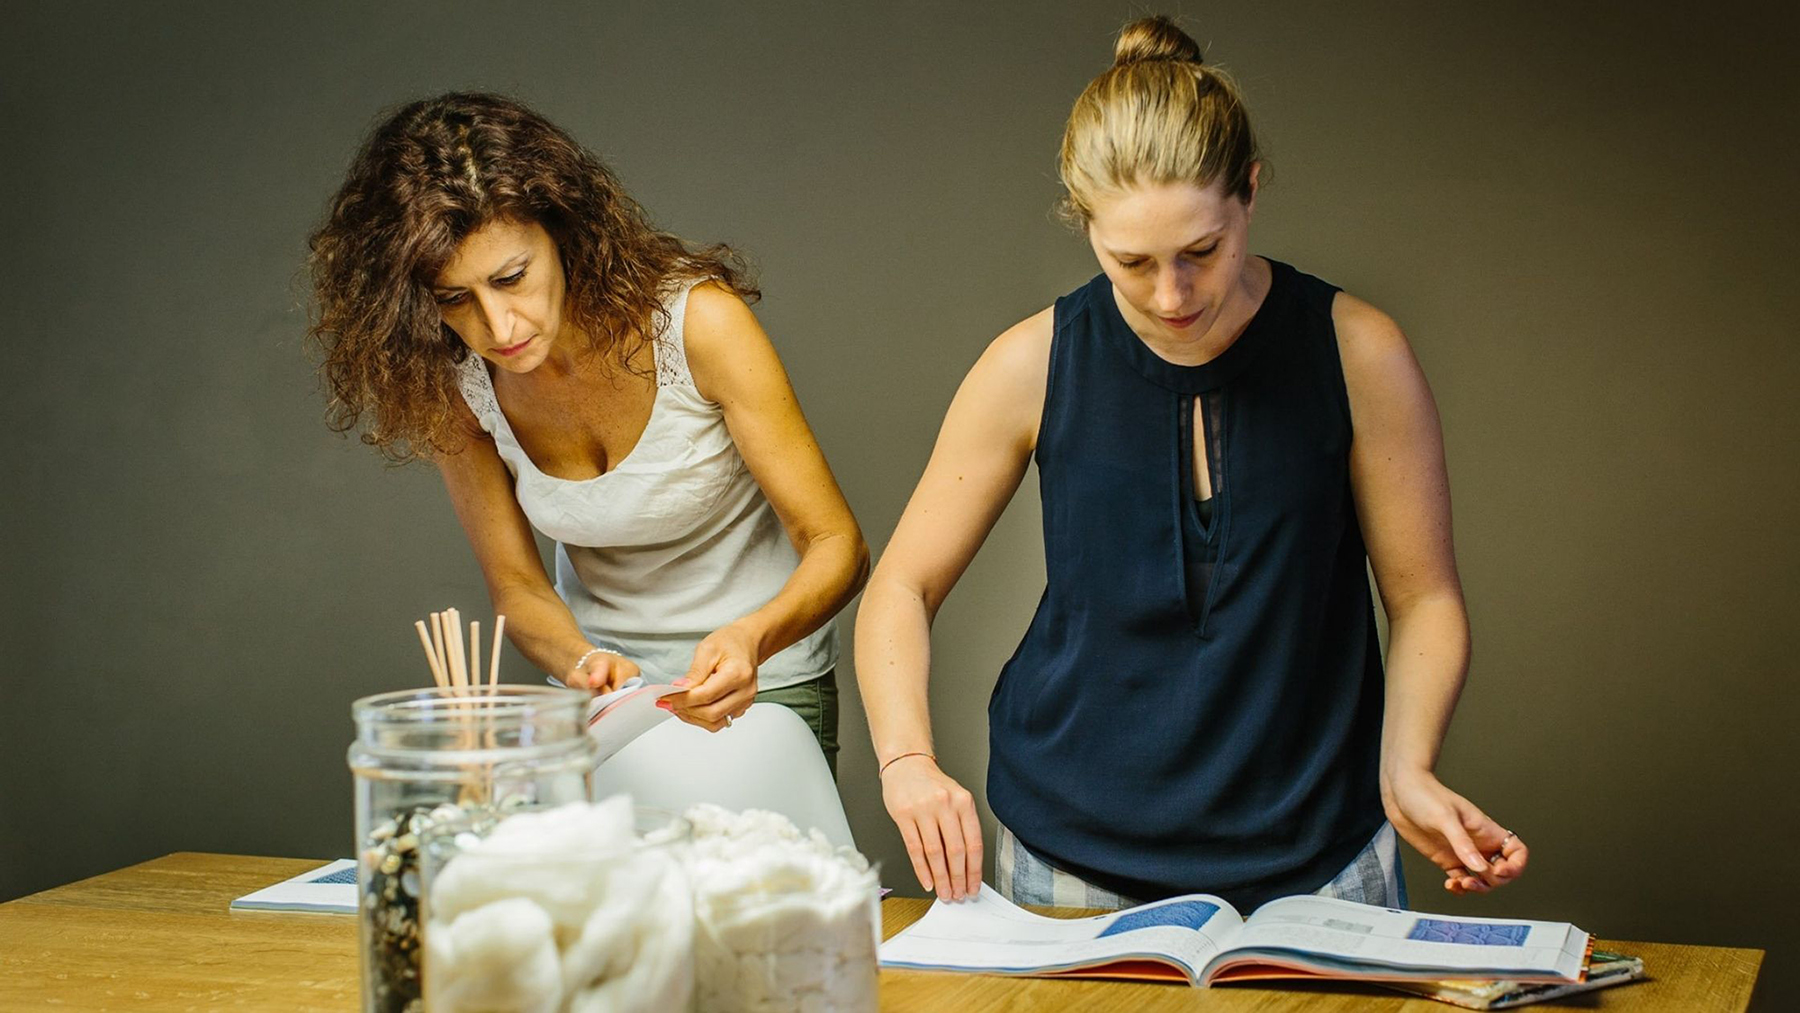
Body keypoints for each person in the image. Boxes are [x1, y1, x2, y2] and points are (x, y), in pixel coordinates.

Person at [856, 16, 1528, 909]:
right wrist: (906, 761)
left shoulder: (1360, 352)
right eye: (1131, 261)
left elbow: (1425, 597)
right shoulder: (1029, 362)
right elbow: (900, 585)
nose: (1172, 296)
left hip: (1321, 863)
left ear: (1249, 192)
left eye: (1201, 252)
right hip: (1066, 866)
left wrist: (1406, 764)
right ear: (1084, 224)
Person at [308, 93, 867, 772]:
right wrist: (583, 661)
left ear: (562, 231)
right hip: (605, 707)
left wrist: (753, 636)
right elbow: (517, 586)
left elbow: (838, 545)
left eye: (512, 277)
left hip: (763, 683)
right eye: (455, 299)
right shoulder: (456, 380)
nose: (499, 326)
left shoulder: (699, 325)